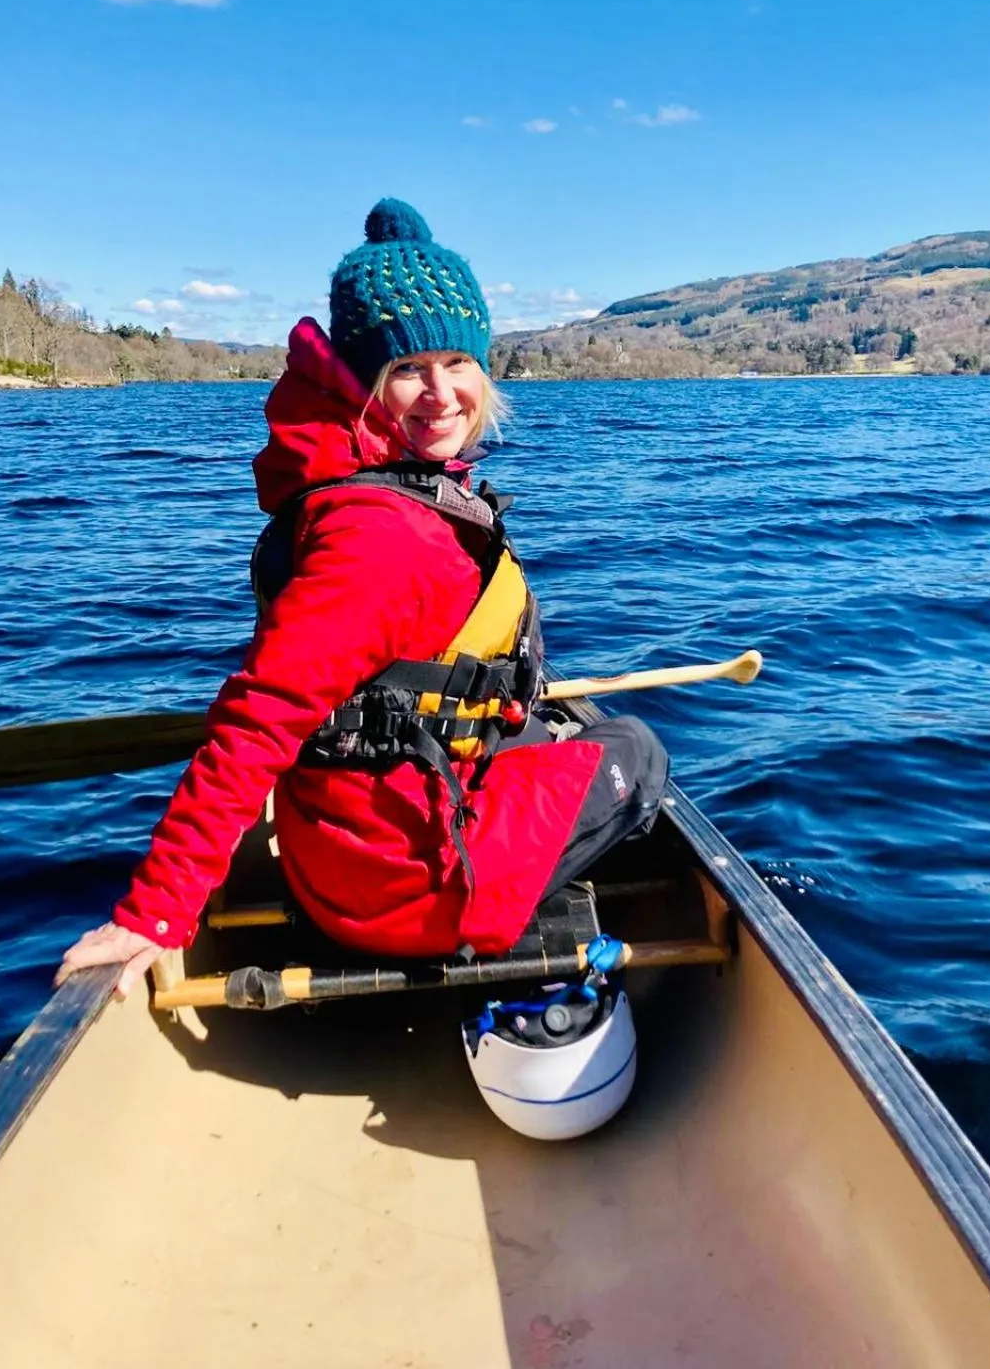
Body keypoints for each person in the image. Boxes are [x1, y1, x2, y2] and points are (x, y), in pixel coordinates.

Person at [55, 199, 668, 999]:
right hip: (401, 891)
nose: (441, 393)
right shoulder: (384, 534)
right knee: (636, 750)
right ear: (365, 379)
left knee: (543, 731)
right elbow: (261, 715)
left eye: (457, 363)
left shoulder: (367, 485)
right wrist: (157, 910)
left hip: (337, 857)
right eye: (408, 368)